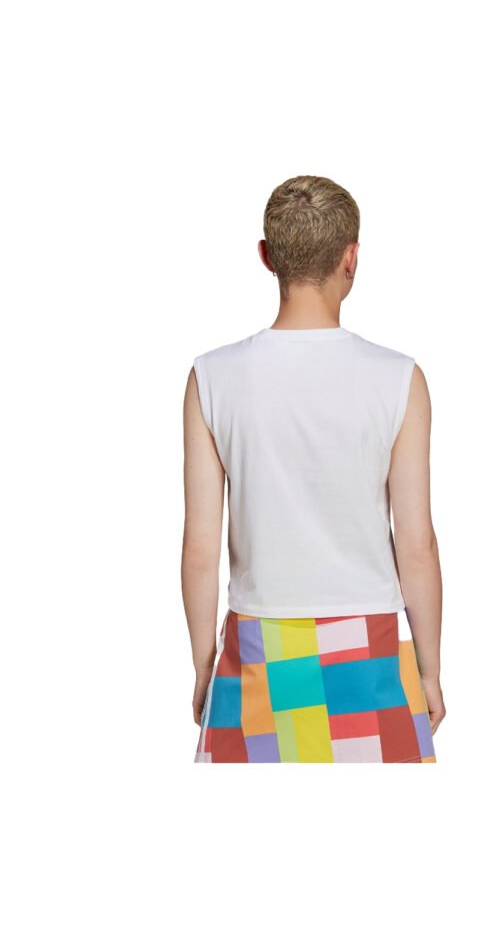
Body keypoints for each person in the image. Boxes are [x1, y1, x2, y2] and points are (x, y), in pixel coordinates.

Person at [182, 175, 445, 763]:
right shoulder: (400, 379)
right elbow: (417, 545)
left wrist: (204, 666)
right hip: (370, 652)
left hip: (258, 648)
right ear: (351, 257)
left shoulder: (211, 377)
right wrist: (428, 671)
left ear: (267, 256)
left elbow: (199, 547)